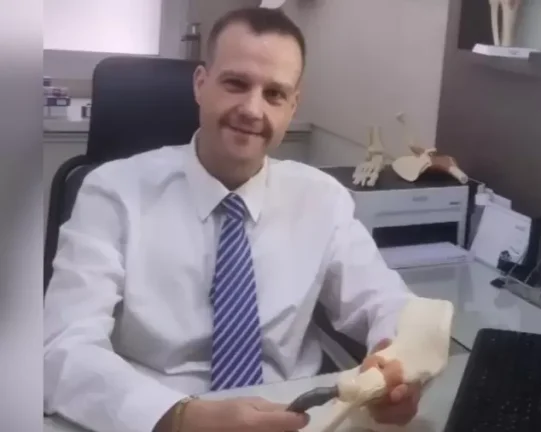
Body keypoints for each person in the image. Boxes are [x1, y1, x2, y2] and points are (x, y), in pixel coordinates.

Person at [43, 7, 420, 432]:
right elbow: (62, 347)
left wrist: (397, 367)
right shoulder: (113, 192)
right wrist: (181, 417)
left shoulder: (322, 199)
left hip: (294, 415)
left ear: (292, 106)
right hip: (155, 417)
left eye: (274, 94)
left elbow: (387, 302)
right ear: (200, 84)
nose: (252, 109)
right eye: (236, 84)